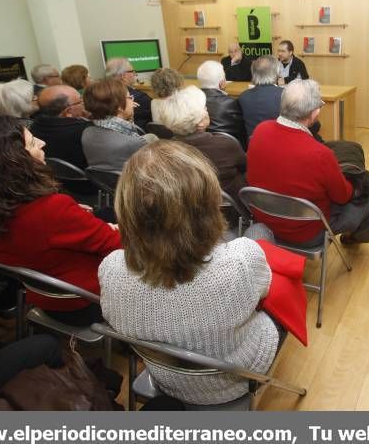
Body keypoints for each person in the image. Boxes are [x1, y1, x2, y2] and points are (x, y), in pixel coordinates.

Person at [99, 140, 279, 406]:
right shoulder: (240, 258)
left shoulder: (110, 269)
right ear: (208, 204)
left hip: (165, 377)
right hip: (240, 375)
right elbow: (265, 289)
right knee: (261, 232)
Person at [0, 116, 121, 326]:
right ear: (13, 162)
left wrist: (72, 219)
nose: (42, 142)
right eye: (32, 143)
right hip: (87, 300)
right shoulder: (51, 209)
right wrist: (115, 227)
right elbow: (117, 245)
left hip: (40, 293)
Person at [247, 79, 369, 246]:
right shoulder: (320, 154)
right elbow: (343, 196)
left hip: (265, 222)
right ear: (315, 113)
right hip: (306, 235)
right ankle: (352, 239)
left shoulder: (260, 130)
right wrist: (357, 186)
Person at [160, 86, 247, 205]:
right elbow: (245, 167)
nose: (207, 110)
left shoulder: (165, 150)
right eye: (205, 108)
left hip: (190, 209)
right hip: (230, 210)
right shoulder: (225, 144)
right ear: (200, 122)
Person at [82, 78, 156, 173]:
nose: (132, 101)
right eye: (130, 98)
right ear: (120, 106)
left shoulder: (87, 132)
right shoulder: (135, 143)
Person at [30, 85, 91, 170]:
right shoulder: (86, 131)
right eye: (80, 101)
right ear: (68, 112)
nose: (83, 103)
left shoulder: (32, 128)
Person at [197, 61, 246, 146]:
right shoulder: (230, 103)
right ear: (222, 83)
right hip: (228, 149)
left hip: (199, 150)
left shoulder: (192, 101)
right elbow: (242, 130)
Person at [238, 55, 284, 140]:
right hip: (279, 146)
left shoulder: (243, 97)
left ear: (254, 73)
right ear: (276, 73)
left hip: (252, 147)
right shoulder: (284, 95)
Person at [105, 58, 152, 130]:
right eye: (132, 71)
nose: (135, 74)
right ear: (123, 76)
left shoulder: (101, 95)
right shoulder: (141, 98)